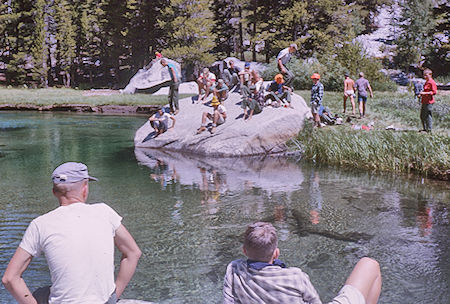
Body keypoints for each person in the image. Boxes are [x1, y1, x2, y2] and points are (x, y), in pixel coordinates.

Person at [2, 162, 142, 303]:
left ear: (54, 192)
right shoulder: (105, 212)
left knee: (40, 294)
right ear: (84, 188)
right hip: (105, 301)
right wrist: (114, 296)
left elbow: (9, 278)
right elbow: (133, 253)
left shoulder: (40, 224)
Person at [223, 222, 382, 304]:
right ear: (276, 252)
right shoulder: (294, 276)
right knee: (369, 264)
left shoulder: (233, 270)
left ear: (244, 251)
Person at [419, 68, 437, 133]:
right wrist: (421, 94)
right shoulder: (426, 82)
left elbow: (434, 92)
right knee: (422, 115)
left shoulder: (432, 82)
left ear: (430, 75)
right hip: (424, 101)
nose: (424, 77)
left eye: (426, 75)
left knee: (428, 116)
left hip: (429, 102)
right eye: (424, 75)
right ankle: (424, 129)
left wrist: (424, 93)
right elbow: (425, 90)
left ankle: (428, 130)